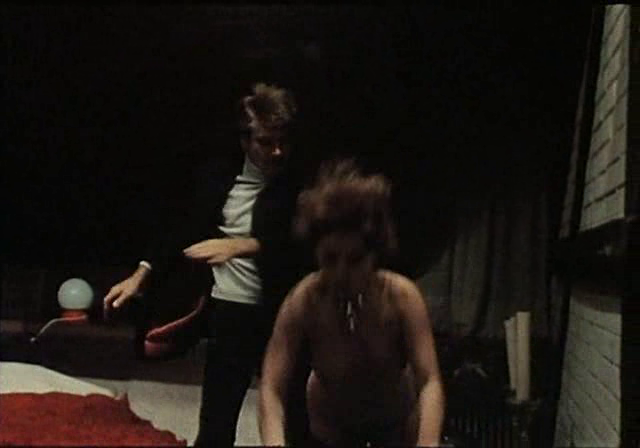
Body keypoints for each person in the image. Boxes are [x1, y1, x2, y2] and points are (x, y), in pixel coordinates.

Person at [103, 83, 310, 447]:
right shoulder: (218, 175)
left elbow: (306, 241)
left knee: (294, 414)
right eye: (266, 142)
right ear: (245, 141)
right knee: (217, 419)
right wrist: (141, 274)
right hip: (231, 307)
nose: (277, 151)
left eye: (283, 141)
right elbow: (182, 227)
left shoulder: (300, 182)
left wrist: (242, 245)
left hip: (285, 310)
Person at [259, 159, 445, 447]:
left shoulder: (401, 297)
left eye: (355, 260)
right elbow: (271, 387)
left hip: (395, 422)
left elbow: (430, 380)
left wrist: (428, 443)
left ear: (374, 255)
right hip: (330, 426)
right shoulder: (304, 300)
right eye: (330, 259)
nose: (341, 272)